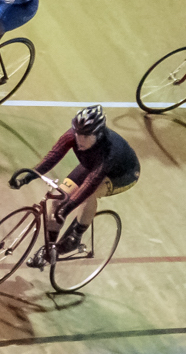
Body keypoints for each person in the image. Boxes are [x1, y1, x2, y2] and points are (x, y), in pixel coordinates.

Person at [8, 105, 140, 267]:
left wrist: (66, 209)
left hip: (122, 174)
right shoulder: (73, 135)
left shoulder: (111, 151)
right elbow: (53, 157)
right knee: (57, 200)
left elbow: (90, 184)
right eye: (78, 133)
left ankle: (75, 237)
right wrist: (29, 177)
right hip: (92, 165)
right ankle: (50, 249)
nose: (80, 139)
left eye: (86, 136)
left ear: (98, 134)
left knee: (88, 194)